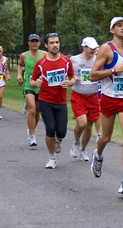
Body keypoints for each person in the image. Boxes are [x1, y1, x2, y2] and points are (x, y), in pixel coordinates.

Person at [89, 17, 123, 195]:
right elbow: (92, 75)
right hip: (108, 98)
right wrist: (113, 70)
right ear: (112, 30)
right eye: (119, 25)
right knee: (105, 137)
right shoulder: (106, 49)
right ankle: (98, 156)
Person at [30, 33, 76, 169]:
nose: (55, 45)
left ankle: (58, 139)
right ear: (46, 45)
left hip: (61, 101)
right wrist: (36, 83)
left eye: (57, 42)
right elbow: (32, 81)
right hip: (45, 100)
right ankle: (52, 158)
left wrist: (69, 82)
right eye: (51, 43)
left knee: (61, 131)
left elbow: (73, 78)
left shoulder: (66, 61)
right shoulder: (41, 63)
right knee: (50, 128)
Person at [69, 37, 100, 162]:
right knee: (81, 123)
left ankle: (83, 148)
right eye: (91, 48)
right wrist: (72, 79)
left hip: (92, 96)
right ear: (84, 47)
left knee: (88, 127)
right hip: (78, 95)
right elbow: (68, 74)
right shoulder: (74, 60)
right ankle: (76, 142)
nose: (93, 51)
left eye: (95, 48)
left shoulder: (98, 60)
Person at [17, 34, 48, 146]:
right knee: (32, 110)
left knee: (37, 112)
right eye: (32, 41)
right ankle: (32, 136)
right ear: (28, 43)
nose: (34, 43)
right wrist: (19, 74)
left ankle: (31, 130)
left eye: (36, 41)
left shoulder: (44, 54)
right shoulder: (24, 55)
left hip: (41, 85)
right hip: (28, 85)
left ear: (39, 43)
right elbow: (20, 65)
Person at [0, 45, 11, 120]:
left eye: (0, 51)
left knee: (0, 96)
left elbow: (6, 68)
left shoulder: (6, 59)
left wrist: (8, 75)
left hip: (1, 79)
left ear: (2, 51)